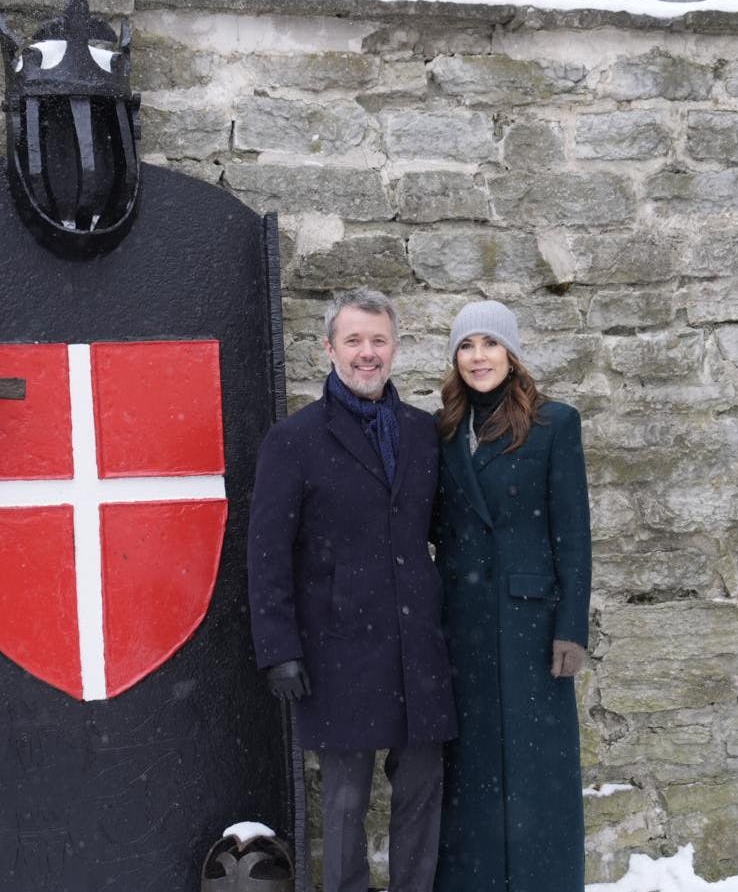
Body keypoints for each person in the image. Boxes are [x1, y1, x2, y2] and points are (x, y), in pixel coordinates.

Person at [248, 289, 458, 892]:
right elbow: (266, 553)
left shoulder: (422, 434)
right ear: (330, 348)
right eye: (354, 340)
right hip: (338, 649)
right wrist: (278, 648)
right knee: (343, 803)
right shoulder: (294, 440)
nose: (367, 353)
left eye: (378, 340)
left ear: (395, 346)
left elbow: (442, 531)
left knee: (421, 792)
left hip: (418, 647)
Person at [431, 300, 592, 892]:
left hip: (532, 626)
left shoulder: (555, 423)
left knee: (537, 767)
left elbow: (572, 532)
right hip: (464, 624)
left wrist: (572, 627)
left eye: (490, 344)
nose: (479, 357)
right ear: (456, 359)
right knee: (471, 767)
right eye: (467, 346)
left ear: (511, 353)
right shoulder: (444, 430)